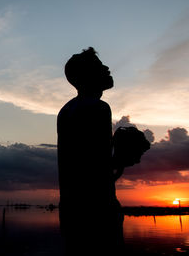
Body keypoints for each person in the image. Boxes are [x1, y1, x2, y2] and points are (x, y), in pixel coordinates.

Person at [57, 47, 123, 255]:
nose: (106, 67)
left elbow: (79, 163)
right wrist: (124, 156)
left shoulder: (66, 110)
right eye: (99, 66)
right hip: (98, 210)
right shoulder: (99, 108)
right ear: (87, 76)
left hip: (71, 210)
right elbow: (100, 169)